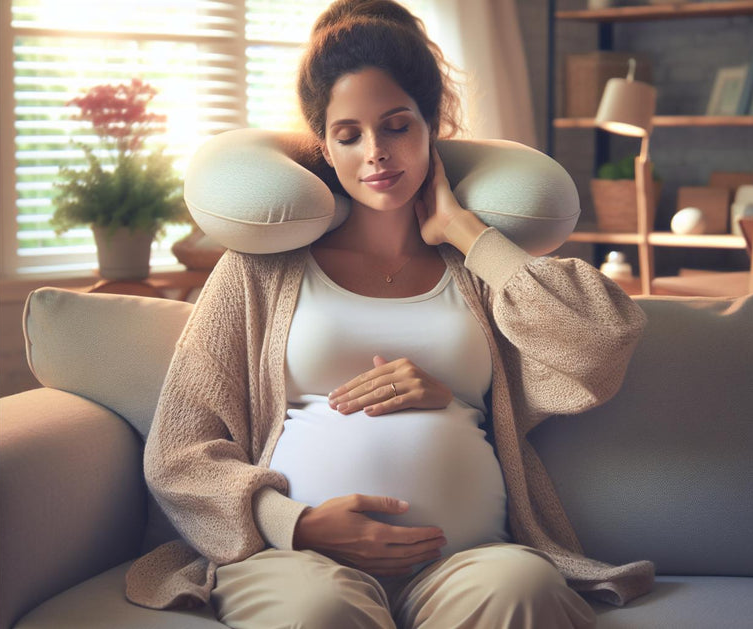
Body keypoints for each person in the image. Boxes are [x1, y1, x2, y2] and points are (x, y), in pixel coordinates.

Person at [125, 1, 655, 626]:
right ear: (324, 146)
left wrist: (466, 235)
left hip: (471, 562)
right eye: (349, 135)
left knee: (524, 590)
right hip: (299, 560)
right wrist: (296, 523)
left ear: (433, 126)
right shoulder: (260, 269)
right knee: (314, 613)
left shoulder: (478, 271)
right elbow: (179, 451)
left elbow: (599, 346)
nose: (375, 152)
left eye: (398, 126)